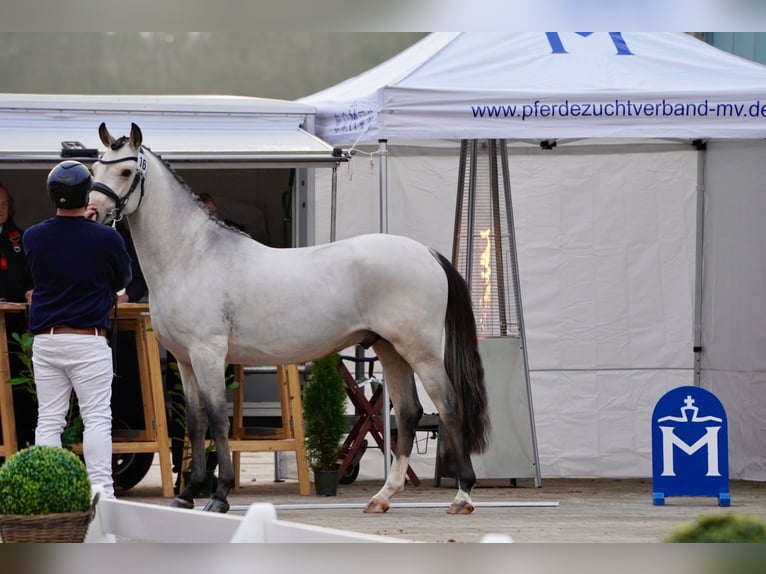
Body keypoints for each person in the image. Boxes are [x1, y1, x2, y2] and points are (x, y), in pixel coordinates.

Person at [23, 160, 133, 498]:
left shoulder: (32, 237)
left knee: (49, 419)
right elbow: (123, 280)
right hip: (88, 340)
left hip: (47, 339)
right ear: (87, 195)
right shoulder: (106, 238)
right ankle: (101, 488)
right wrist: (95, 231)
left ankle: (50, 491)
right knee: (97, 417)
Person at [0, 181, 35, 450]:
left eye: (4, 205)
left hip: (14, 330)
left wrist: (33, 291)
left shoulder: (20, 238)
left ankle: (25, 444)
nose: (0, 210)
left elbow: (33, 277)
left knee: (21, 390)